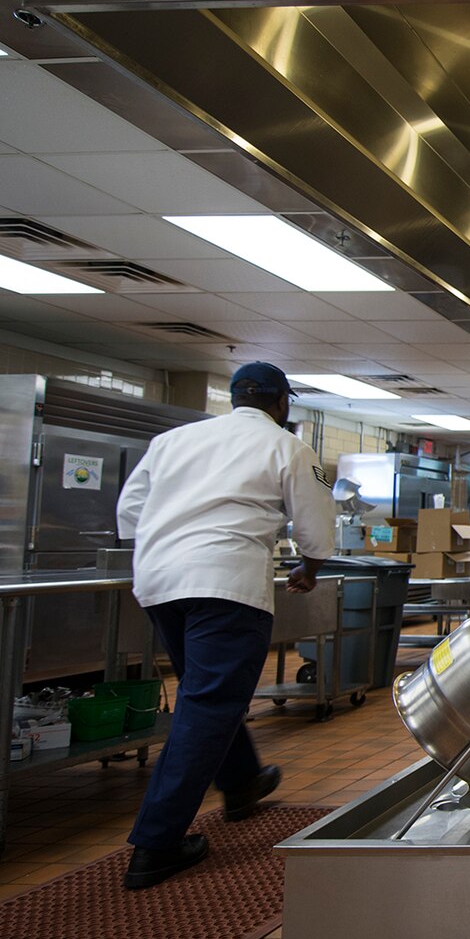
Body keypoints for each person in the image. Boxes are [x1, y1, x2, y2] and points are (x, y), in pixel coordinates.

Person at [114, 362, 333, 890]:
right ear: (281, 403)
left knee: (206, 694)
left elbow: (128, 512)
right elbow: (315, 522)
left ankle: (241, 783)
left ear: (235, 398)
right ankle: (156, 843)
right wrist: (311, 565)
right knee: (209, 704)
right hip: (225, 584)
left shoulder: (172, 441)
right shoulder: (288, 448)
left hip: (160, 581)